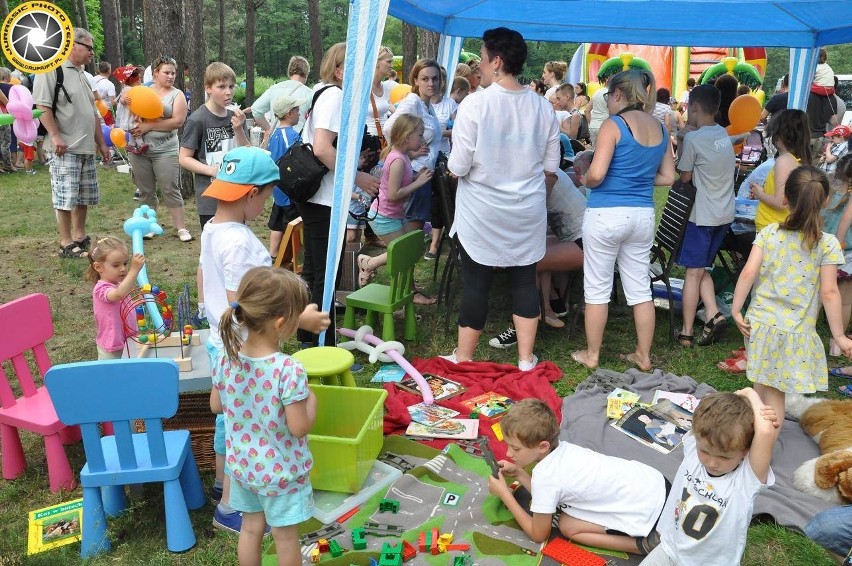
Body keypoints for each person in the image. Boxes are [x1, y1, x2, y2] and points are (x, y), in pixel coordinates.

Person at [199, 146, 329, 535]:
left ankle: (226, 485)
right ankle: (230, 502)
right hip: (242, 343)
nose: (269, 203)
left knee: (231, 417)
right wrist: (299, 315)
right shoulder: (239, 242)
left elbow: (205, 278)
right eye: (269, 195)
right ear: (251, 194)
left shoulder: (211, 227)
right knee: (246, 421)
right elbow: (247, 300)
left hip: (221, 338)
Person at [442, 27, 560, 371]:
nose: (479, 62)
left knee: (477, 280)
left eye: (481, 56)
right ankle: (525, 359)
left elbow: (459, 165)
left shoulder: (475, 105)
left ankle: (464, 357)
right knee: (524, 279)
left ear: (496, 61)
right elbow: (551, 167)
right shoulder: (543, 107)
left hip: (483, 211)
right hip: (527, 210)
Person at [571, 69, 676, 371]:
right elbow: (668, 176)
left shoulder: (613, 125)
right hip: (641, 215)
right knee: (640, 288)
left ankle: (592, 355)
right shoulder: (660, 127)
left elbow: (598, 174)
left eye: (608, 95)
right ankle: (643, 356)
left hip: (606, 213)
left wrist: (586, 178)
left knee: (597, 288)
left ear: (617, 94)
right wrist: (636, 179)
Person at [210, 266, 315, 566]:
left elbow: (217, 405)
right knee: (284, 537)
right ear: (282, 323)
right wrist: (312, 403)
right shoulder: (288, 369)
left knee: (251, 528)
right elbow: (298, 427)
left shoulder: (224, 358)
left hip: (243, 467)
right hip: (281, 473)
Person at [732, 165, 852, 423]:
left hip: (760, 326)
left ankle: (754, 445)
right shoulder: (828, 244)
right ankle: (761, 457)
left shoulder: (769, 233)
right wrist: (839, 335)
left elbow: (747, 273)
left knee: (760, 387)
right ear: (826, 200)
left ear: (785, 197)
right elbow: (830, 292)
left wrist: (735, 309)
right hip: (793, 333)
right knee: (774, 399)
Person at [488, 399, 667, 554]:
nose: (508, 453)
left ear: (543, 446)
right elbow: (548, 493)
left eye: (516, 448)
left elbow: (538, 534)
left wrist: (505, 493)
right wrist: (519, 473)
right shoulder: (564, 449)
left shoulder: (545, 476)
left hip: (651, 519)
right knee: (566, 519)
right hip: (658, 484)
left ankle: (643, 545)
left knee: (568, 528)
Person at [296, 42, 379, 347]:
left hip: (321, 196)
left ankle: (309, 337)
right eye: (356, 67)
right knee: (325, 274)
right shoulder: (335, 96)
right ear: (339, 70)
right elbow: (321, 149)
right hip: (323, 199)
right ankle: (320, 347)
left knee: (318, 271)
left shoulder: (325, 92)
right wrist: (357, 176)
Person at [640, 389, 779, 566]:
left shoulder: (746, 480)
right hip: (670, 549)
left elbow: (766, 432)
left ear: (746, 451)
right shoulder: (692, 447)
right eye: (705, 451)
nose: (712, 463)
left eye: (724, 457)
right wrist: (737, 397)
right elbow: (706, 411)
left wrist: (750, 393)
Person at [33, 28, 111, 258]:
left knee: (83, 196)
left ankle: (79, 237)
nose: (92, 53)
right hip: (64, 147)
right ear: (71, 45)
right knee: (65, 197)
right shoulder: (50, 69)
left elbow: (93, 112)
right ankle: (65, 242)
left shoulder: (82, 74)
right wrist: (56, 136)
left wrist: (102, 143)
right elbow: (42, 107)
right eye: (88, 47)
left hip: (86, 147)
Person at [676, 84, 736, 348]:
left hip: (701, 215)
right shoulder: (722, 133)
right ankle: (712, 314)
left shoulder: (693, 139)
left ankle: (687, 331)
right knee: (702, 269)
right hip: (723, 213)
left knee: (692, 272)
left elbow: (684, 177)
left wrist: (682, 140)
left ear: (694, 108)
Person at [358, 115, 433, 281]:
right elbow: (393, 195)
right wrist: (418, 183)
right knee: (402, 253)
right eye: (420, 135)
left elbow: (397, 183)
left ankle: (370, 263)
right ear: (407, 136)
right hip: (384, 217)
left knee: (411, 248)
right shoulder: (398, 160)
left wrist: (414, 178)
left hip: (394, 215)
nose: (422, 138)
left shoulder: (403, 155)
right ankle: (405, 293)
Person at [127, 55, 193, 242]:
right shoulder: (142, 91)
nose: (170, 76)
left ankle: (181, 228)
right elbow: (131, 107)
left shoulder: (177, 94)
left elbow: (177, 122)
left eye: (173, 73)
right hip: (140, 151)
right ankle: (148, 225)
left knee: (170, 188)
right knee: (145, 190)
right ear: (156, 73)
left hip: (165, 150)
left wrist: (149, 126)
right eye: (166, 72)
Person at [180, 61, 250, 230]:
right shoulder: (198, 120)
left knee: (237, 243)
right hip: (210, 197)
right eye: (221, 87)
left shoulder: (236, 116)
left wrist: (239, 129)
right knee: (214, 248)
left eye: (231, 86)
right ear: (208, 88)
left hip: (237, 191)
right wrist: (212, 170)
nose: (228, 92)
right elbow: (184, 158)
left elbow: (247, 152)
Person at [383, 59, 443, 242]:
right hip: (415, 172)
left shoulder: (427, 105)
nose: (431, 83)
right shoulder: (413, 102)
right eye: (425, 79)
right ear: (415, 80)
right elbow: (389, 129)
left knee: (416, 222)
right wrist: (407, 153)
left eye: (435, 78)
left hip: (423, 171)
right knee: (413, 225)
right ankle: (377, 263)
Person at [751, 109, 812, 232]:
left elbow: (781, 202)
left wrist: (760, 193)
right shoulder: (798, 160)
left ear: (780, 134)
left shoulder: (784, 161)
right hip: (779, 227)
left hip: (772, 229)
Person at [86, 237, 145, 359]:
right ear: (98, 267)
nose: (123, 268)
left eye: (125, 263)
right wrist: (134, 270)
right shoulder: (101, 289)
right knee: (110, 377)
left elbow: (122, 304)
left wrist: (135, 303)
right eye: (116, 265)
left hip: (128, 340)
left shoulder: (118, 284)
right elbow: (118, 295)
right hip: (112, 348)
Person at [266, 93, 308, 258]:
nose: (299, 113)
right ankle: (294, 257)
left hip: (278, 189)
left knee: (277, 224)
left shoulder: (274, 134)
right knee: (294, 226)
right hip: (290, 190)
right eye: (297, 110)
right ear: (289, 113)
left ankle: (273, 255)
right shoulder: (291, 136)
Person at [251, 55, 313, 141]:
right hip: (299, 144)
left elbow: (256, 109)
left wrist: (269, 130)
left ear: (289, 72)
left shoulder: (274, 89)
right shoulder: (310, 93)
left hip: (276, 139)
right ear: (306, 73)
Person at [113, 65, 147, 160]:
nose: (140, 80)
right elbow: (122, 99)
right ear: (132, 80)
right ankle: (140, 144)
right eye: (138, 78)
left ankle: (132, 145)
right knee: (134, 127)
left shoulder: (138, 88)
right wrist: (125, 100)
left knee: (134, 128)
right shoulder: (127, 89)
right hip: (129, 115)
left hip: (135, 112)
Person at [585, 75, 608, 147]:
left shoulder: (597, 92)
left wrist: (592, 122)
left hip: (594, 126)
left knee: (595, 151)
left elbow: (586, 111)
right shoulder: (612, 93)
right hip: (606, 126)